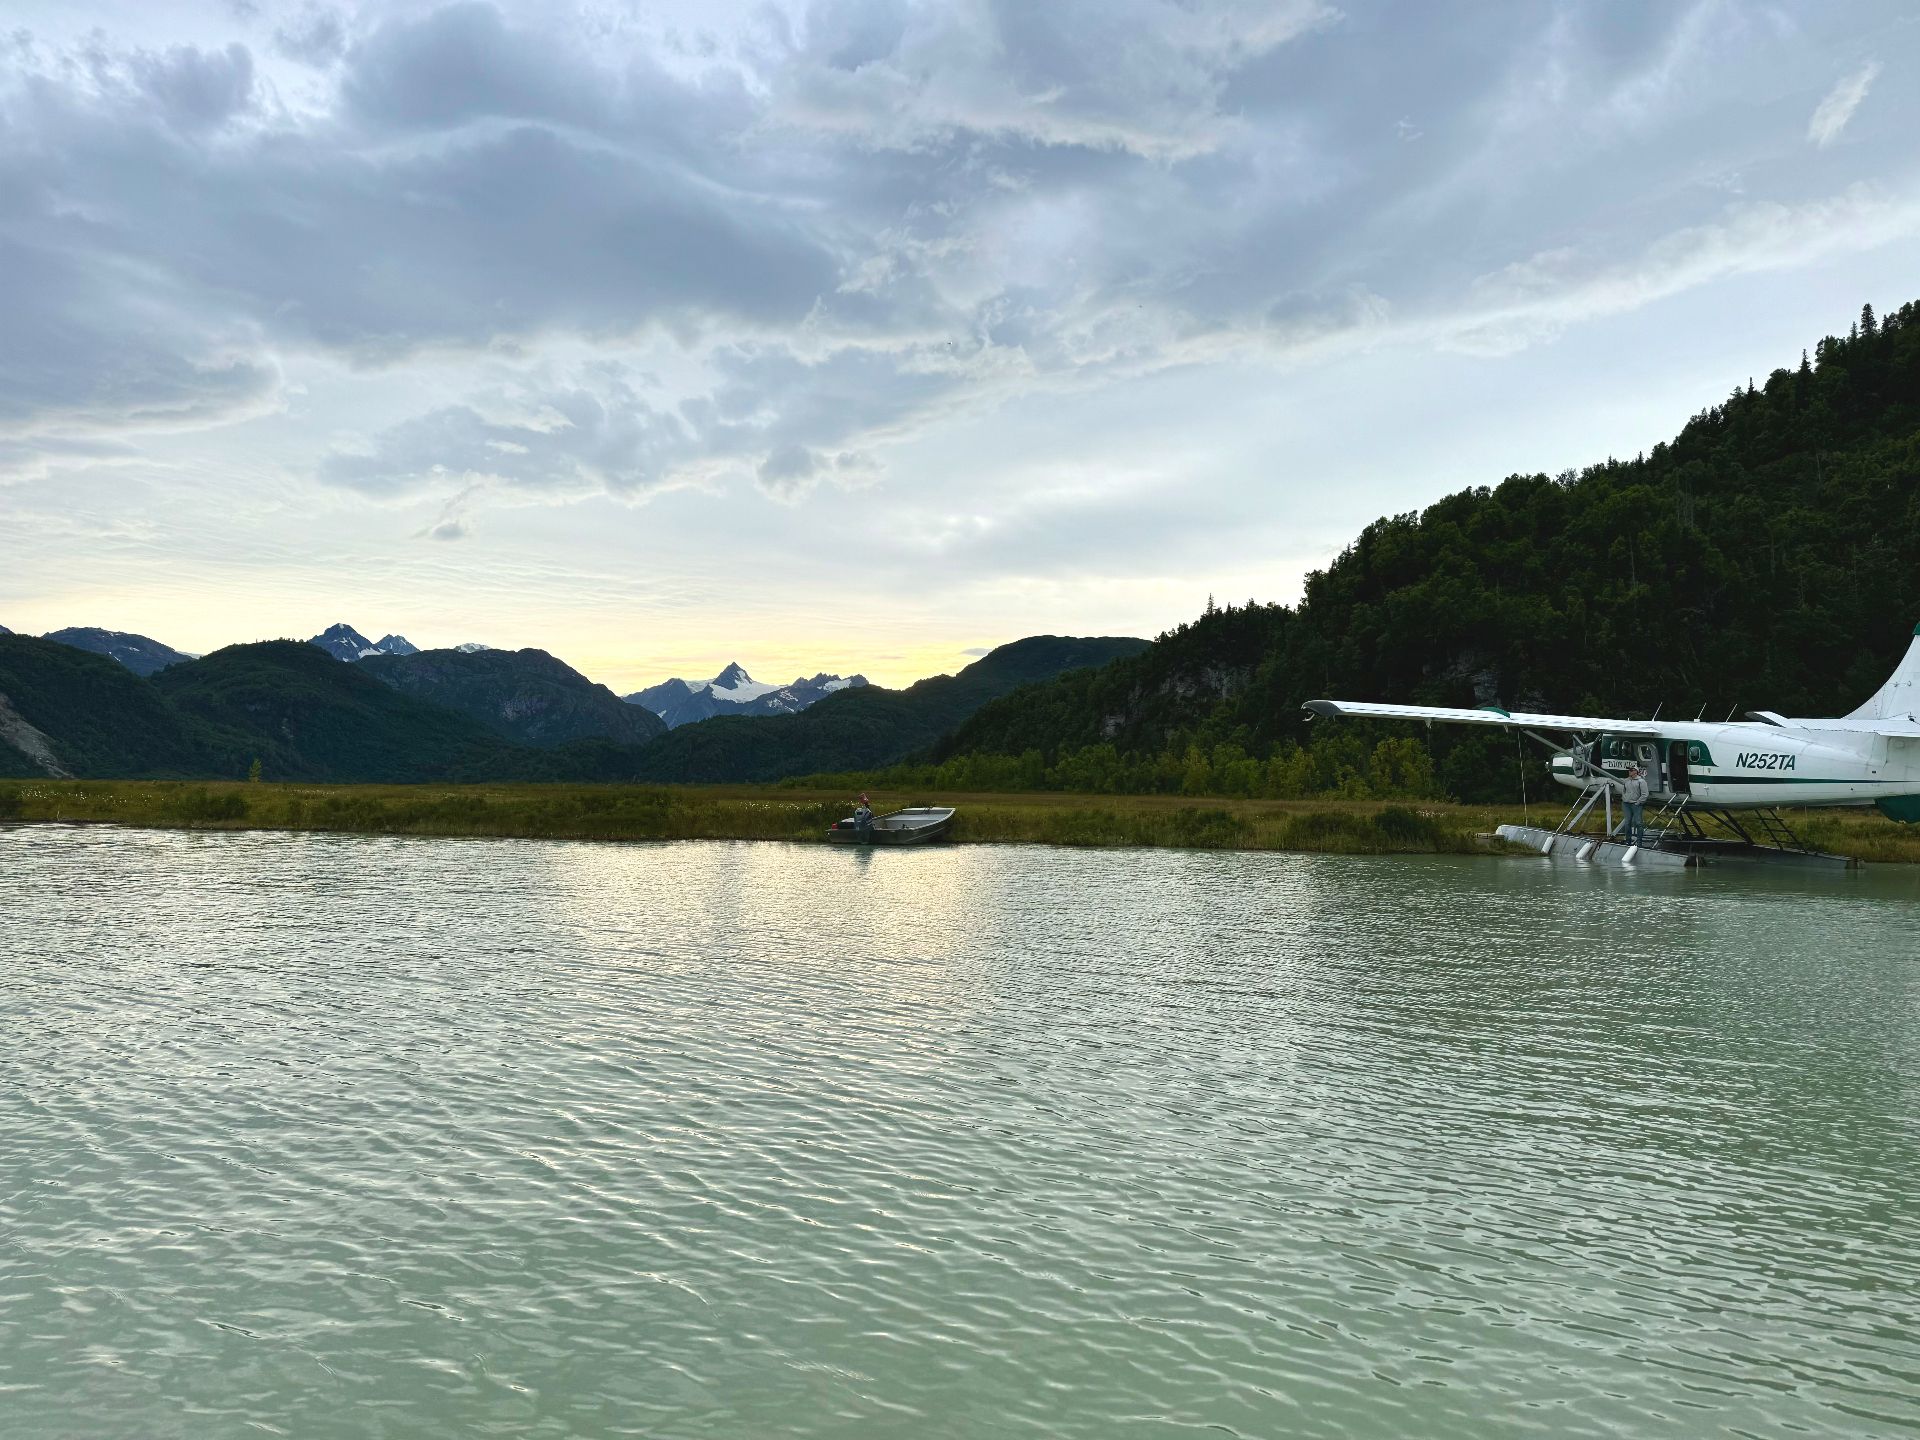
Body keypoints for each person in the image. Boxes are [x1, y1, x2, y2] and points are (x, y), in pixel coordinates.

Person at [1620, 764, 1649, 845]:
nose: (1630, 771)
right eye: (1629, 770)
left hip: (1636, 804)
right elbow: (1624, 791)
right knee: (1627, 823)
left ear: (1636, 771)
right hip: (1626, 804)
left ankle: (1639, 841)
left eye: (1632, 770)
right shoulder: (1626, 781)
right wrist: (1624, 798)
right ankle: (1628, 840)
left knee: (1638, 823)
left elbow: (1645, 794)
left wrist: (1638, 802)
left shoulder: (1641, 781)